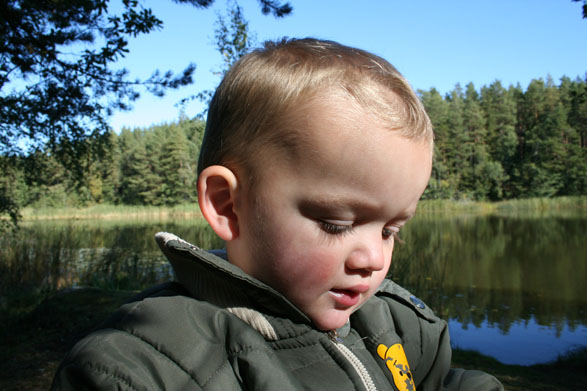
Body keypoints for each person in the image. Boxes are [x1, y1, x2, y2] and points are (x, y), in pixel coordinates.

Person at [52, 38, 503, 391]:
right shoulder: (146, 367)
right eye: (336, 224)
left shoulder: (400, 324)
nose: (372, 259)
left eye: (391, 230)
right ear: (229, 206)